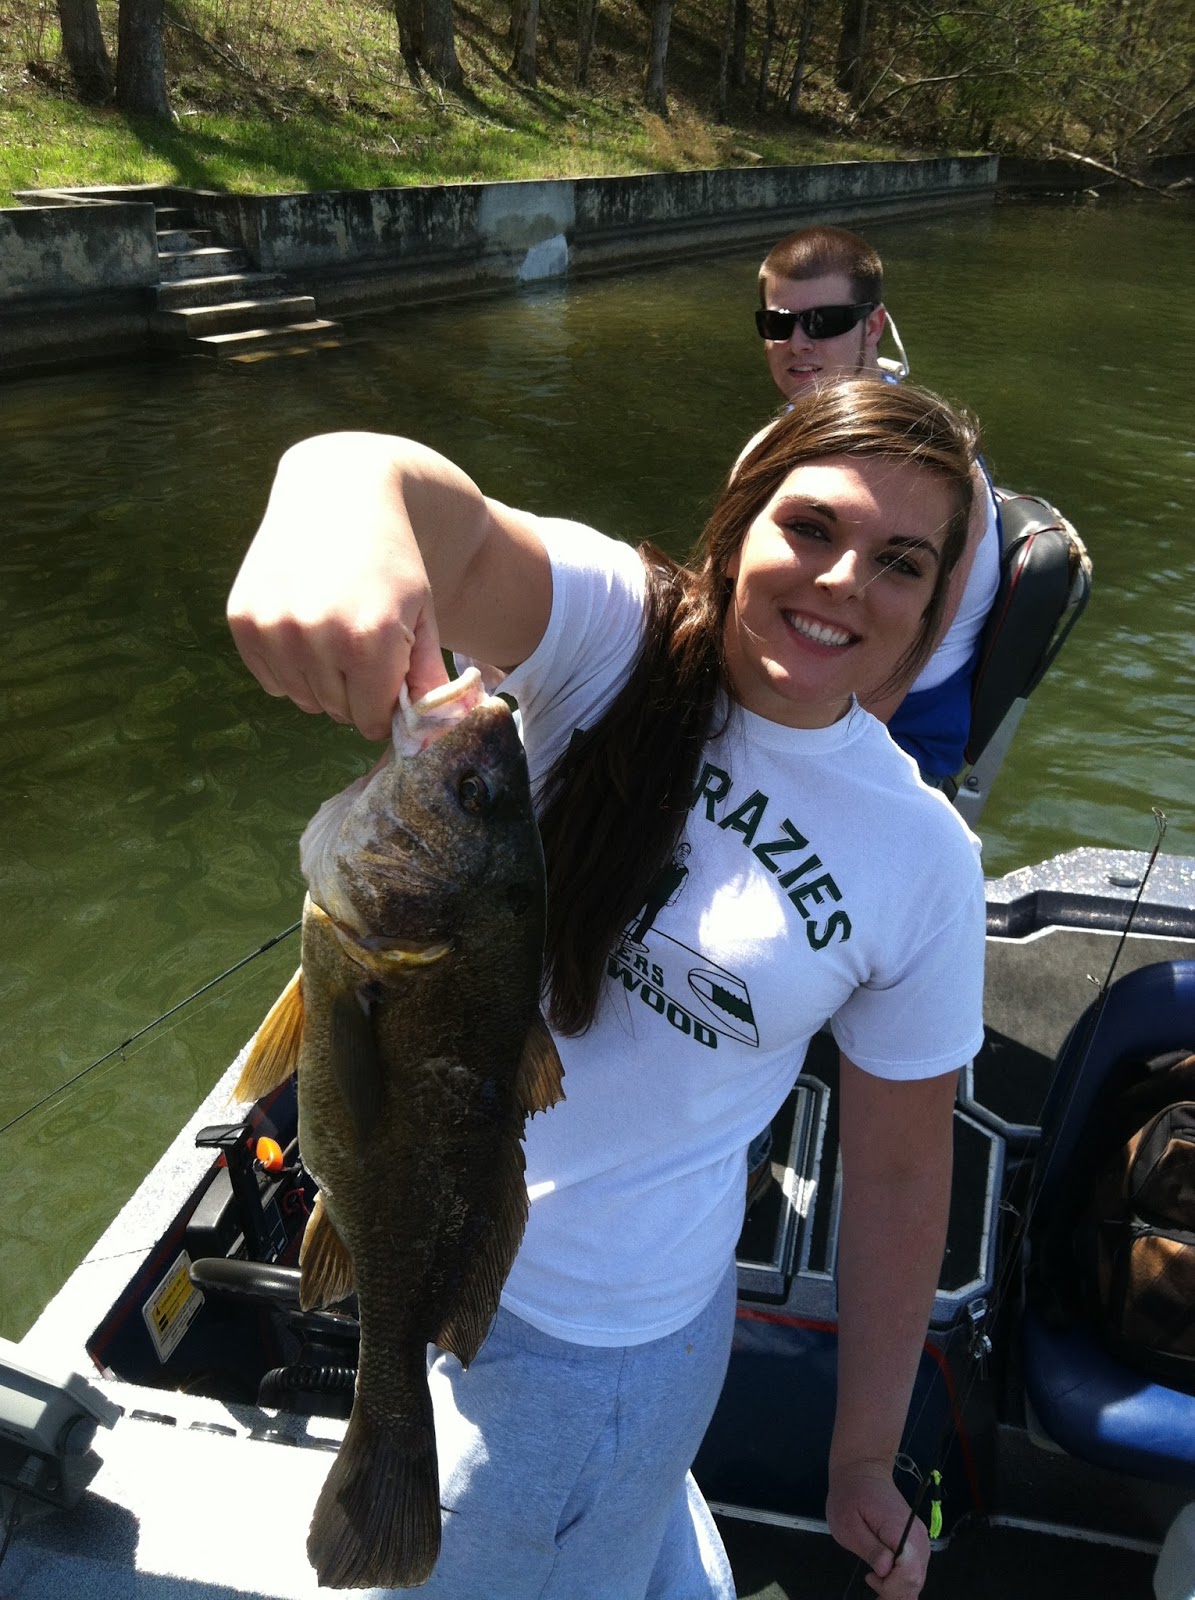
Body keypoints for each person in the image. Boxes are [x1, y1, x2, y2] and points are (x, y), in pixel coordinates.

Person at [226, 377, 987, 1600]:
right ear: (739, 521)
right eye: (812, 527)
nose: (844, 580)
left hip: (618, 1342)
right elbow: (426, 506)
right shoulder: (614, 635)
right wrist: (340, 505)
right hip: (444, 1237)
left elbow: (901, 1174)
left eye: (900, 563)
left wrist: (861, 1454)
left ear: (936, 609)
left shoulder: (924, 860)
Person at [752, 224, 1001, 782]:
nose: (799, 343)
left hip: (888, 739)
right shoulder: (784, 437)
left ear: (874, 325)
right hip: (797, 689)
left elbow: (885, 687)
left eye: (825, 322)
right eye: (779, 323)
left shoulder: (936, 469)